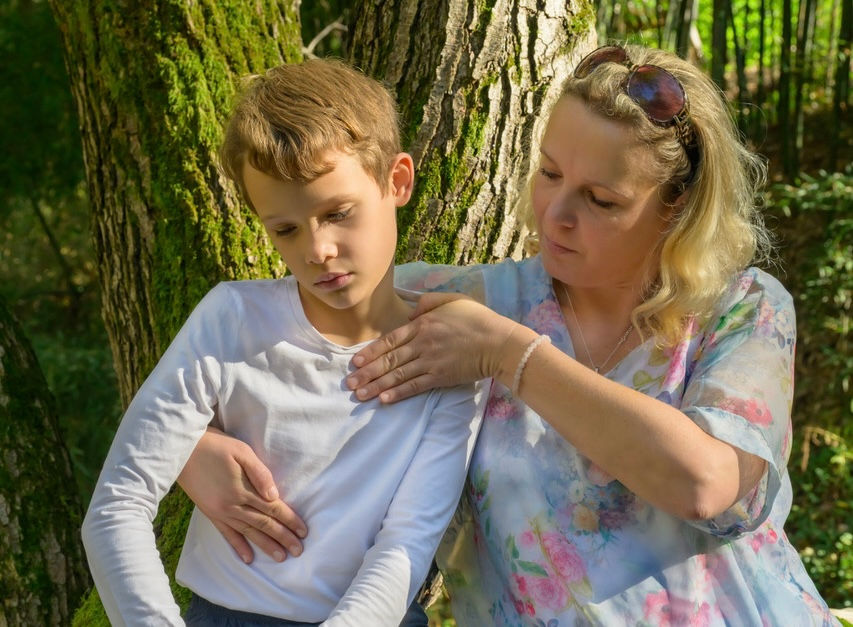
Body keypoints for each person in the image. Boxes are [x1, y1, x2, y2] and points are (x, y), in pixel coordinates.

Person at [178, 44, 840, 625]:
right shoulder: (458, 304)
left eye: (600, 200)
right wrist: (191, 451)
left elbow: (705, 483)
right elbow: (240, 348)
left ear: (677, 206)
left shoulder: (743, 308)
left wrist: (508, 355)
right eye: (549, 173)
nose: (555, 213)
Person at [81, 58, 486, 627]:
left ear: (397, 181)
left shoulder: (449, 355)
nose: (317, 250)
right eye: (286, 229)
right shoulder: (232, 319)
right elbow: (117, 505)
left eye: (338, 213)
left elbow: (406, 544)